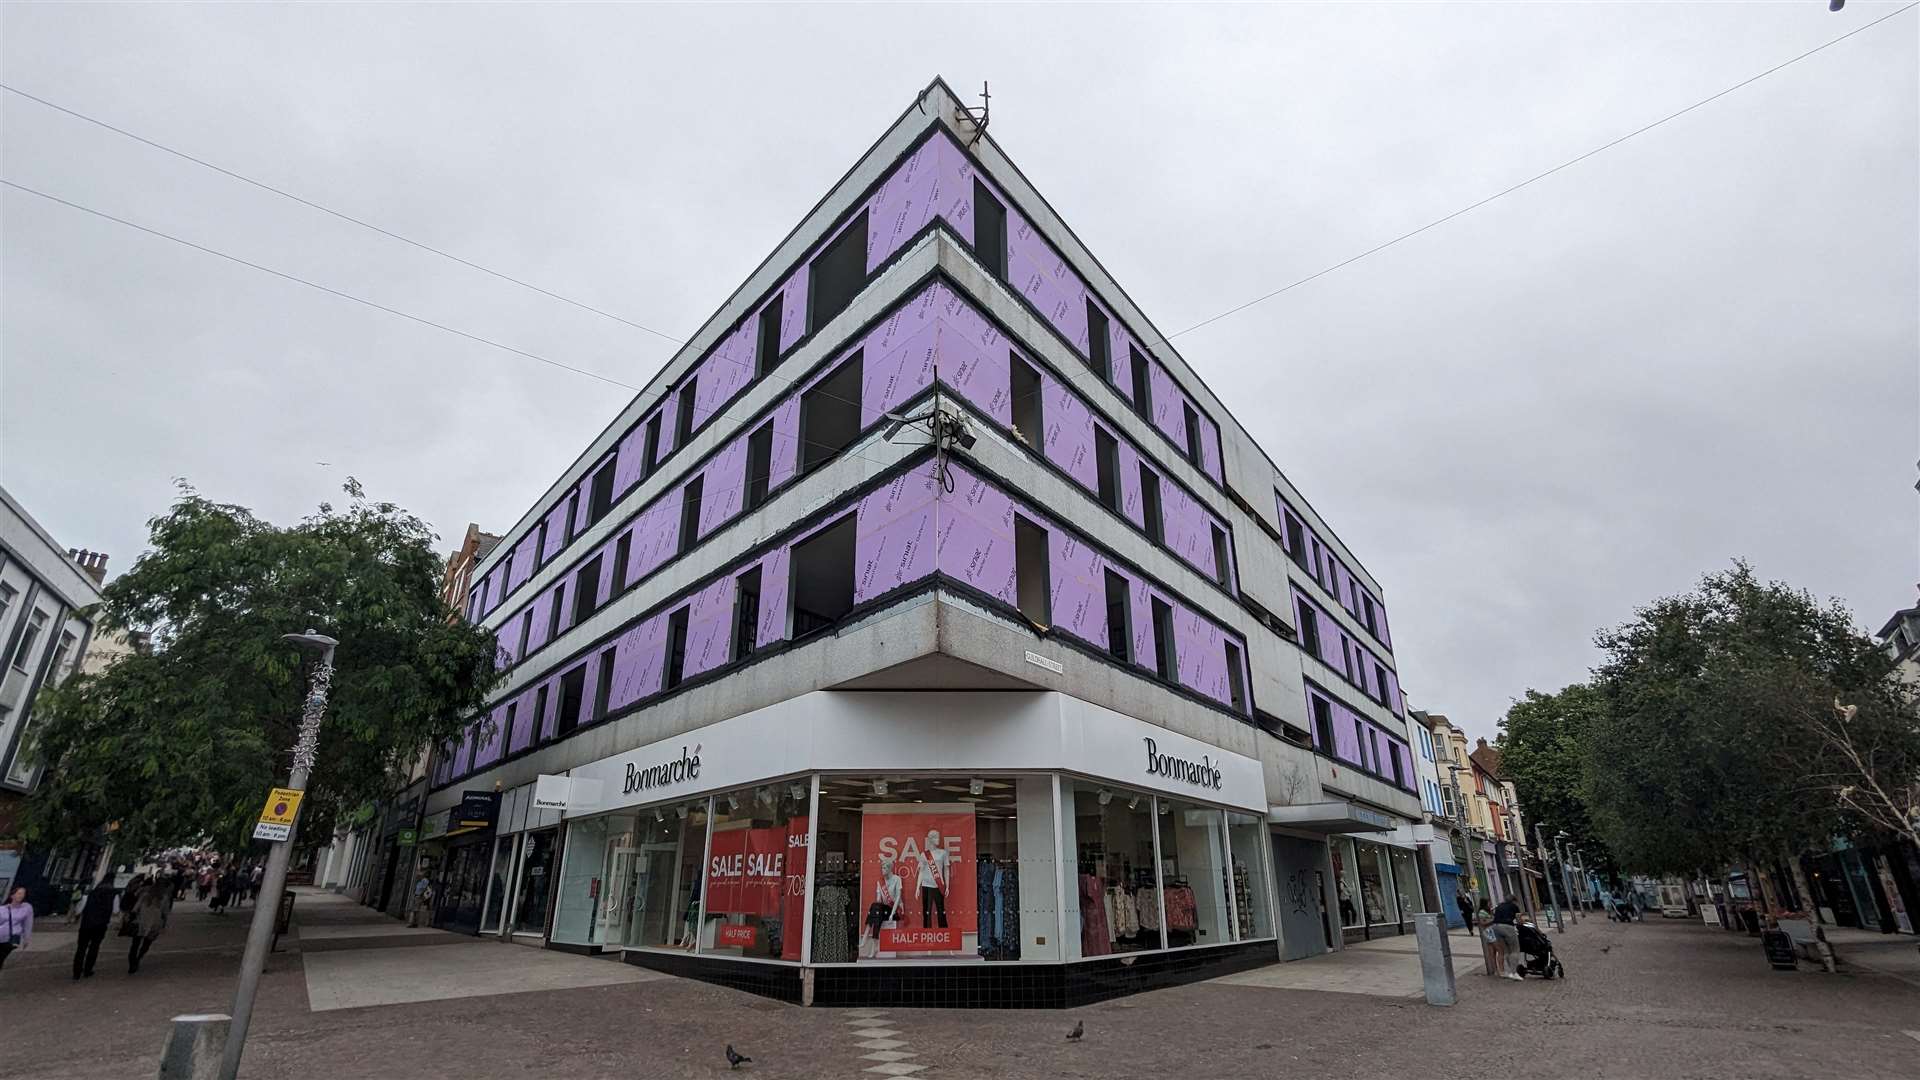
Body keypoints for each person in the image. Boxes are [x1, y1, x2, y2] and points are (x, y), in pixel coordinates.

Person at [72, 876, 119, 979]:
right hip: (101, 924)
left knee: (81, 948)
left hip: (86, 924)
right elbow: (115, 911)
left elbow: (79, 910)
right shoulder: (114, 895)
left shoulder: (90, 893)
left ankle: (76, 971)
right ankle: (88, 970)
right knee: (94, 947)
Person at [127, 872, 171, 974]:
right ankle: (138, 958)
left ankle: (132, 963)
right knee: (146, 943)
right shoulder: (164, 898)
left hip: (141, 921)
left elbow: (135, 909)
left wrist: (131, 917)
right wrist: (164, 924)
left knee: (135, 944)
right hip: (154, 923)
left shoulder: (146, 895)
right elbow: (165, 913)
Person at [916, 829, 949, 930]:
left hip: (939, 885)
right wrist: (917, 887)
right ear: (930, 839)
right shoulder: (924, 855)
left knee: (941, 910)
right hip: (926, 885)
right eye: (935, 837)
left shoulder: (943, 853)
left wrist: (947, 886)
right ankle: (927, 933)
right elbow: (921, 872)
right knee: (927, 911)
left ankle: (943, 933)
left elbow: (946, 869)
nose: (938, 839)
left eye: (938, 837)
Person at [1489, 895, 1523, 981]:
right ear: (1514, 901)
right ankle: (1514, 972)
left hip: (1495, 927)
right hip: (1507, 926)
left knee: (1506, 950)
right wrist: (1523, 922)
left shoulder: (1499, 906)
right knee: (1515, 949)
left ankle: (1510, 971)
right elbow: (1519, 920)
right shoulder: (1514, 906)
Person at [0, 886, 34, 970]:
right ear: (12, 895)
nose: (21, 895)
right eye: (19, 893)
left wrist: (26, 938)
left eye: (23, 894)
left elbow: (28, 923)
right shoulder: (2, 909)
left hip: (11, 939)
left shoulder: (26, 908)